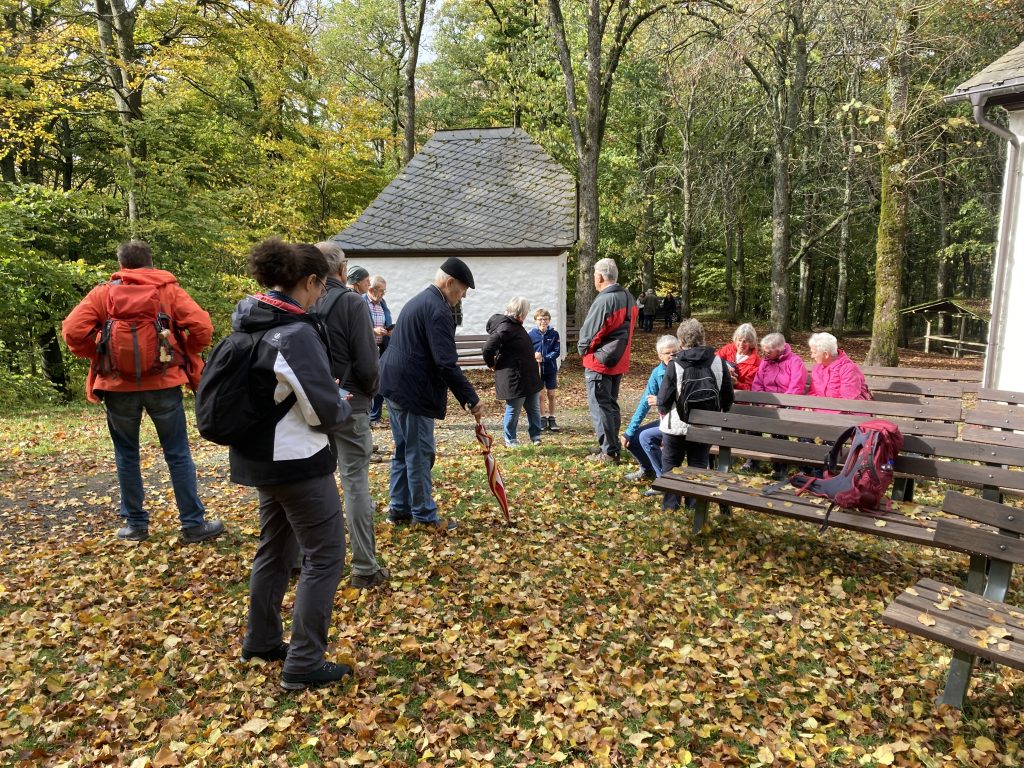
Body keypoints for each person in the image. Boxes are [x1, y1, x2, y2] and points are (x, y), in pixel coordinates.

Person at [223, 239, 354, 689]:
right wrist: (341, 402)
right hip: (296, 462)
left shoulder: (251, 320)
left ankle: (261, 640)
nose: (322, 295)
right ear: (310, 281)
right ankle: (304, 663)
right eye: (321, 286)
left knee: (275, 550)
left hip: (260, 458)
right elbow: (321, 410)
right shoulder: (293, 333)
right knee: (326, 555)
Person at [61, 240, 224, 544]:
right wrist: (185, 350)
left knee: (126, 454)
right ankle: (193, 524)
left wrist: (97, 353)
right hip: (164, 383)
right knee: (177, 454)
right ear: (151, 262)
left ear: (121, 265)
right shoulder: (167, 290)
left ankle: (136, 525)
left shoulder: (103, 294)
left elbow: (72, 331)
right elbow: (202, 327)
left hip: (116, 386)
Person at [378, 258, 485, 530]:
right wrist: (470, 397)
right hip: (412, 390)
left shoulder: (419, 300)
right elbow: (445, 362)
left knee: (404, 449)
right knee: (420, 452)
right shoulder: (438, 310)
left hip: (394, 384)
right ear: (449, 283)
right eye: (461, 292)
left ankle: (399, 508)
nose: (460, 298)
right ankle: (424, 516)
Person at [315, 242, 389, 590]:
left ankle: (310, 557)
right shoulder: (350, 303)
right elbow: (367, 362)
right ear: (342, 270)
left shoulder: (304, 300)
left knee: (316, 482)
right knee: (355, 482)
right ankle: (364, 565)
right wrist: (369, 392)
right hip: (350, 404)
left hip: (311, 405)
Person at [657, 318, 734, 512]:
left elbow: (663, 399)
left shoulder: (675, 364)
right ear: (703, 338)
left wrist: (666, 413)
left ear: (681, 342)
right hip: (706, 426)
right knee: (698, 466)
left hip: (677, 425)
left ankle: (670, 506)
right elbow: (728, 397)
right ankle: (694, 506)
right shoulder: (719, 362)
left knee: (671, 465)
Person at [577, 257, 638, 464]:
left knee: (601, 407)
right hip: (617, 360)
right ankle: (610, 445)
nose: (594, 279)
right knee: (611, 405)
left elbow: (592, 332)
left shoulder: (605, 299)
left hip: (600, 362)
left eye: (595, 275)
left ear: (601, 276)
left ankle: (609, 452)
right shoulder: (628, 296)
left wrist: (582, 349)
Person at [622, 335, 680, 495]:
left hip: (680, 422)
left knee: (646, 437)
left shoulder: (684, 369)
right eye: (667, 353)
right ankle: (648, 469)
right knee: (633, 439)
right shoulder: (657, 373)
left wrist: (661, 401)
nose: (671, 356)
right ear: (659, 356)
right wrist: (629, 431)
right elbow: (644, 403)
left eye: (675, 352)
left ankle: (664, 481)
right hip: (665, 420)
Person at [483, 297, 544, 447]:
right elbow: (488, 348)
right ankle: (510, 439)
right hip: (515, 377)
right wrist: (492, 364)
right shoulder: (506, 327)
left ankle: (536, 436)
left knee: (534, 409)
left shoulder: (515, 325)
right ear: (520, 312)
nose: (527, 314)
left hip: (528, 375)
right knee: (514, 410)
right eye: (526, 311)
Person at [749, 332, 807, 476]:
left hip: (787, 405)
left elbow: (796, 387)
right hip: (766, 404)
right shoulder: (765, 362)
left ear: (779, 350)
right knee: (751, 421)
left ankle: (780, 465)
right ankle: (753, 460)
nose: (764, 354)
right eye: (763, 350)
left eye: (768, 352)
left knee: (778, 425)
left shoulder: (795, 362)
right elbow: (757, 385)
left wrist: (778, 405)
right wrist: (765, 403)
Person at [807, 332, 870, 401]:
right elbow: (813, 392)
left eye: (814, 353)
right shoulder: (817, 367)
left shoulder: (848, 369)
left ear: (826, 354)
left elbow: (848, 402)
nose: (812, 356)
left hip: (844, 410)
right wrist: (807, 406)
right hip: (821, 408)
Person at [365, 274, 393, 427]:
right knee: (368, 383)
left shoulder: (383, 304)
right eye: (381, 291)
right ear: (371, 289)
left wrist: (390, 330)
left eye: (384, 291)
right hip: (367, 350)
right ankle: (366, 417)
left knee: (381, 382)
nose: (383, 294)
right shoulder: (362, 302)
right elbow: (358, 327)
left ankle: (375, 417)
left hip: (382, 348)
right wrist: (373, 331)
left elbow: (387, 321)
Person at [528, 308, 561, 431]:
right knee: (540, 395)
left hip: (550, 369)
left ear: (549, 320)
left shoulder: (554, 334)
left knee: (551, 394)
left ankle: (552, 418)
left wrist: (545, 358)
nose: (543, 321)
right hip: (537, 370)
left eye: (545, 319)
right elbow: (527, 351)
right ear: (536, 321)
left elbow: (557, 351)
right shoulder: (531, 335)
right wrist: (534, 356)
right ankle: (542, 418)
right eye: (540, 319)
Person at [716, 323, 761, 391]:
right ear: (736, 339)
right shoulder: (729, 348)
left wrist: (736, 383)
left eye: (745, 341)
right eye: (739, 340)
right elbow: (713, 359)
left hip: (739, 396)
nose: (741, 344)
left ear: (751, 343)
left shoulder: (756, 362)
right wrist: (726, 367)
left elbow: (750, 388)